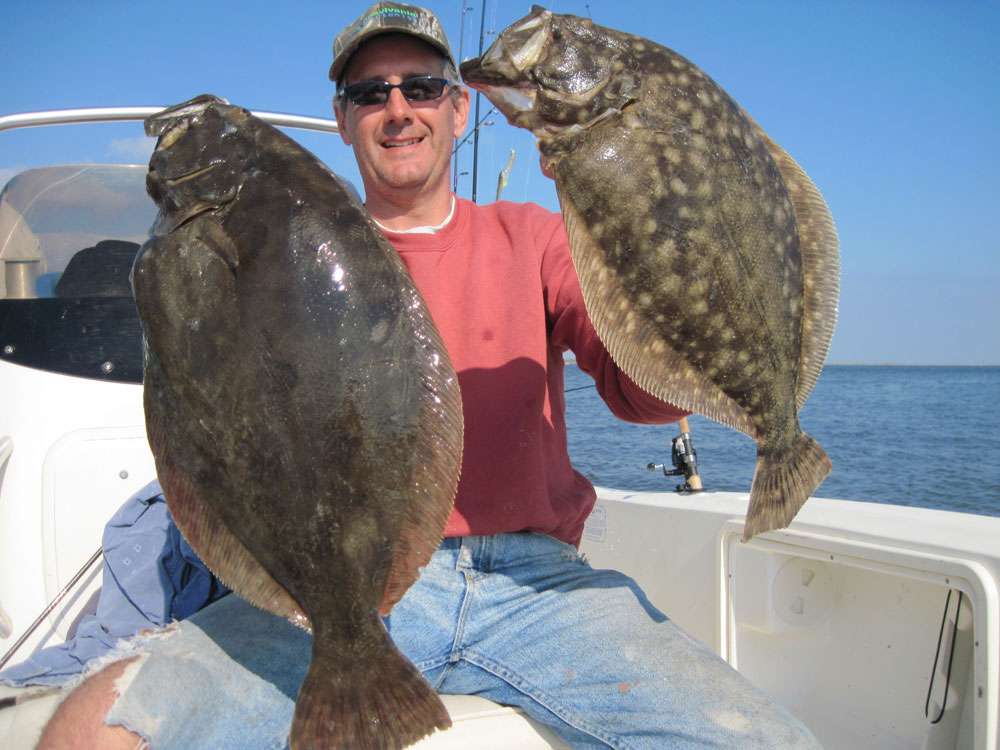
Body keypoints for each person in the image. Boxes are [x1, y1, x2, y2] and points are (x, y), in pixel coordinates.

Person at [37, 3, 822, 748]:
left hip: (540, 590)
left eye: (423, 87)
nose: (399, 108)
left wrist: (635, 225)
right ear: (343, 120)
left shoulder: (535, 236)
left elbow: (643, 394)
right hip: (354, 592)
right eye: (371, 93)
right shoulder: (280, 253)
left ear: (460, 109)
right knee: (94, 729)